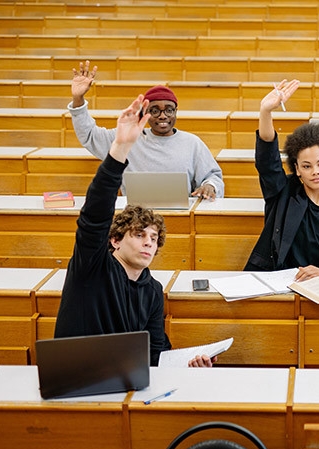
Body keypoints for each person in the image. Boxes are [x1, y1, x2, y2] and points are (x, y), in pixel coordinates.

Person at [55, 95, 215, 368]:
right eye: (139, 235)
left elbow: (155, 354)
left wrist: (189, 364)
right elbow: (94, 214)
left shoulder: (152, 291)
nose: (148, 244)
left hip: (127, 381)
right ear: (115, 240)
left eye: (154, 238)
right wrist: (120, 147)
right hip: (76, 375)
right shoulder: (92, 265)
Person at [244, 79, 319, 281]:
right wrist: (265, 112)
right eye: (306, 166)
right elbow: (268, 162)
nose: (315, 172)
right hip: (278, 284)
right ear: (297, 169)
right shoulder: (282, 193)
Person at [69, 60, 224, 200]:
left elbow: (213, 176)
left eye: (169, 110)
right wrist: (78, 99)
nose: (163, 116)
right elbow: (89, 135)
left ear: (176, 112)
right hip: (134, 218)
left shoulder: (192, 143)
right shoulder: (127, 139)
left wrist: (210, 186)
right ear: (145, 113)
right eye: (155, 111)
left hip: (181, 216)